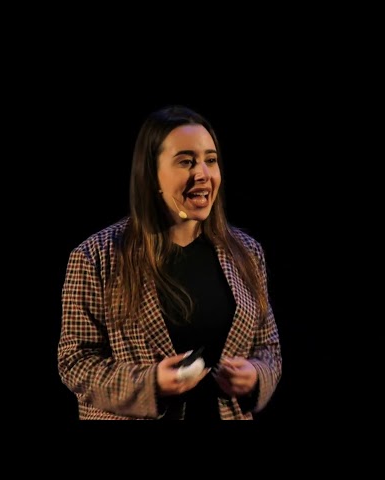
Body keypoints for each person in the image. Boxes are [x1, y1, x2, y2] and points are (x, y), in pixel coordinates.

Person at [57, 104, 282, 420]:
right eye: (186, 161)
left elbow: (268, 348)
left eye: (210, 160)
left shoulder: (247, 252)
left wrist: (255, 375)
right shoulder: (95, 256)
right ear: (152, 175)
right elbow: (75, 362)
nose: (203, 173)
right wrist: (151, 384)